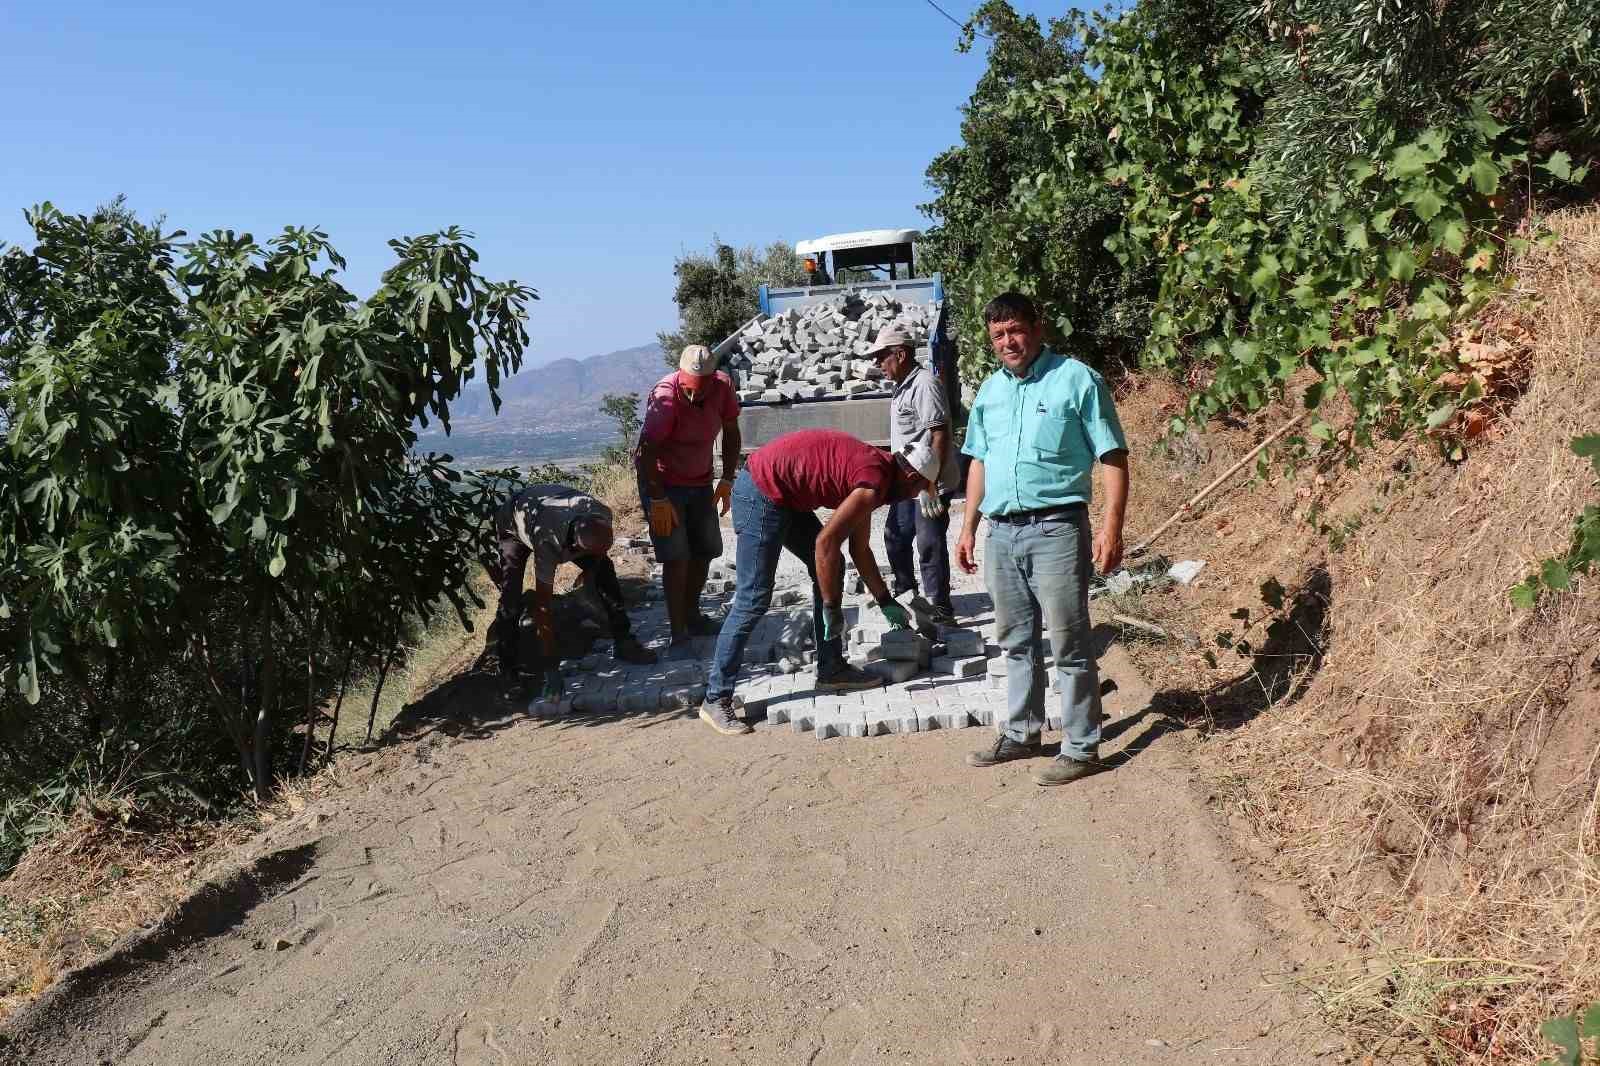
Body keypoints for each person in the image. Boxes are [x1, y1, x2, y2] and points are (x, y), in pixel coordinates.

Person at [954, 292, 1131, 786]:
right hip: (1002, 532)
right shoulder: (989, 391)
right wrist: (968, 527)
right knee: (1015, 641)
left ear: (1038, 325)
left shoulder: (1077, 379)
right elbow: (979, 462)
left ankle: (1081, 746)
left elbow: (1112, 456)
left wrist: (1112, 527)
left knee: (1071, 643)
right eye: (998, 336)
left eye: (1016, 330)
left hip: (1056, 529)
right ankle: (1022, 732)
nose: (1009, 342)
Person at [698, 429, 940, 735]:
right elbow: (826, 543)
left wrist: (885, 601)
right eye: (919, 490)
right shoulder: (873, 483)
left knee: (833, 568)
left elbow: (859, 549)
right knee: (754, 597)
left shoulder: (878, 473)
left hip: (784, 496)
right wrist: (831, 606)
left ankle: (831, 669)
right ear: (913, 479)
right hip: (760, 491)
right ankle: (716, 698)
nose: (911, 498)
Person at [490, 483, 657, 702]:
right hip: (515, 521)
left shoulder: (601, 513)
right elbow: (543, 606)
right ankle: (508, 670)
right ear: (574, 548)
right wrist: (551, 666)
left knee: (605, 571)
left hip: (550, 507)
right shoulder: (548, 543)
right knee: (511, 597)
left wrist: (591, 574)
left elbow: (598, 556)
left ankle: (624, 641)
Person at [636, 344, 742, 658]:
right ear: (681, 377)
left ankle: (692, 616)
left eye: (701, 389)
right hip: (663, 483)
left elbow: (732, 431)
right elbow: (646, 453)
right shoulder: (665, 398)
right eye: (689, 389)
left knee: (707, 548)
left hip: (699, 479)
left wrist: (726, 478)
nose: (695, 395)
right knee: (676, 556)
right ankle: (678, 632)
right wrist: (657, 498)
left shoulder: (722, 387)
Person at [870, 325, 961, 624]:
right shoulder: (902, 386)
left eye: (882, 357)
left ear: (901, 353)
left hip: (928, 484)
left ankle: (940, 607)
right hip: (907, 483)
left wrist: (930, 483)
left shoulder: (924, 384)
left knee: (928, 542)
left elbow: (939, 434)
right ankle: (907, 594)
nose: (878, 364)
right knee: (895, 536)